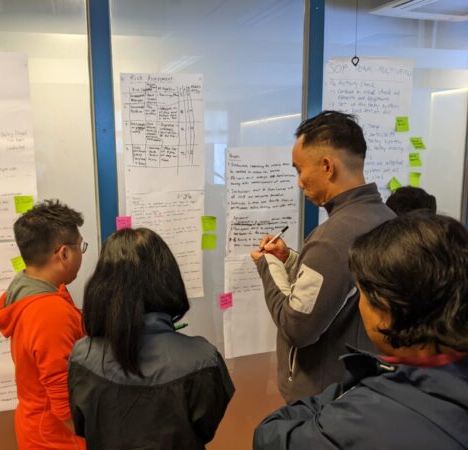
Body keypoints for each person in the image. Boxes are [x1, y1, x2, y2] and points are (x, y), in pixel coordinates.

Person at [253, 212, 468, 449]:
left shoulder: (363, 418)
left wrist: (359, 379)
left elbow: (270, 436)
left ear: (385, 309)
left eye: (360, 294)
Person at [251, 111, 396, 402]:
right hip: (365, 387)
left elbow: (297, 327)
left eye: (299, 170)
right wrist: (290, 259)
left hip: (325, 398)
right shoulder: (387, 217)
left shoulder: (333, 237)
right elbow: (339, 288)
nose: (299, 182)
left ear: (327, 166)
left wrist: (268, 265)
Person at [68, 228, 234, 450]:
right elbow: (206, 429)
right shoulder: (204, 359)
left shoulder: (82, 357)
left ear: (102, 285)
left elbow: (82, 425)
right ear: (168, 280)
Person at [0, 200, 87, 450]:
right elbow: (62, 396)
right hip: (57, 438)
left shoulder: (27, 288)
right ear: (63, 254)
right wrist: (91, 437)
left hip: (37, 427)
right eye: (80, 246)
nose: (81, 253)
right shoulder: (48, 311)